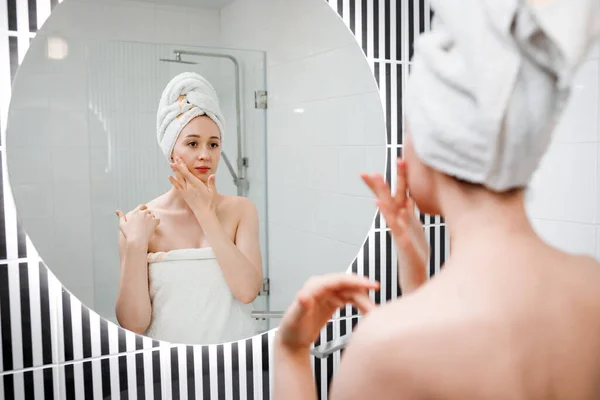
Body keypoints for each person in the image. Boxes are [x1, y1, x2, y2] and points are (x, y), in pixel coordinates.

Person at [274, 0, 600, 398]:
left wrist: (290, 351)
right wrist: (417, 278)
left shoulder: (386, 346)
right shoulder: (591, 285)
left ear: (437, 144)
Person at [114, 72, 263, 344]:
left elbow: (247, 291)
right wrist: (136, 244)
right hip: (169, 367)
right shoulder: (141, 221)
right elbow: (133, 324)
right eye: (192, 143)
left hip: (236, 362)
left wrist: (206, 214)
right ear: (171, 151)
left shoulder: (242, 211)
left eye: (213, 144)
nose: (205, 154)